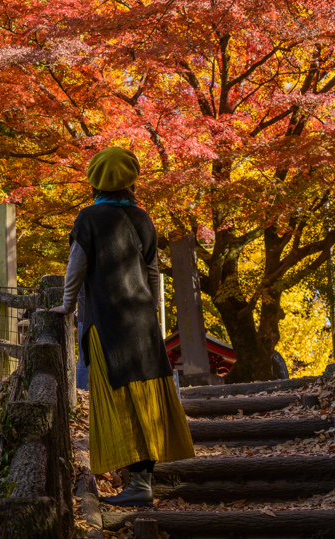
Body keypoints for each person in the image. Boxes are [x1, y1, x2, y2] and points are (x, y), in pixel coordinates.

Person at [52, 147, 194, 507]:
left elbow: (76, 266)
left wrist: (67, 306)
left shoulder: (89, 218)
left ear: (95, 182)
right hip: (142, 322)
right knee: (146, 396)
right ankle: (141, 479)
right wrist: (151, 312)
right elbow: (152, 272)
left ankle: (139, 485)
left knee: (120, 399)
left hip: (107, 322)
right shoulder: (142, 219)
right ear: (131, 180)